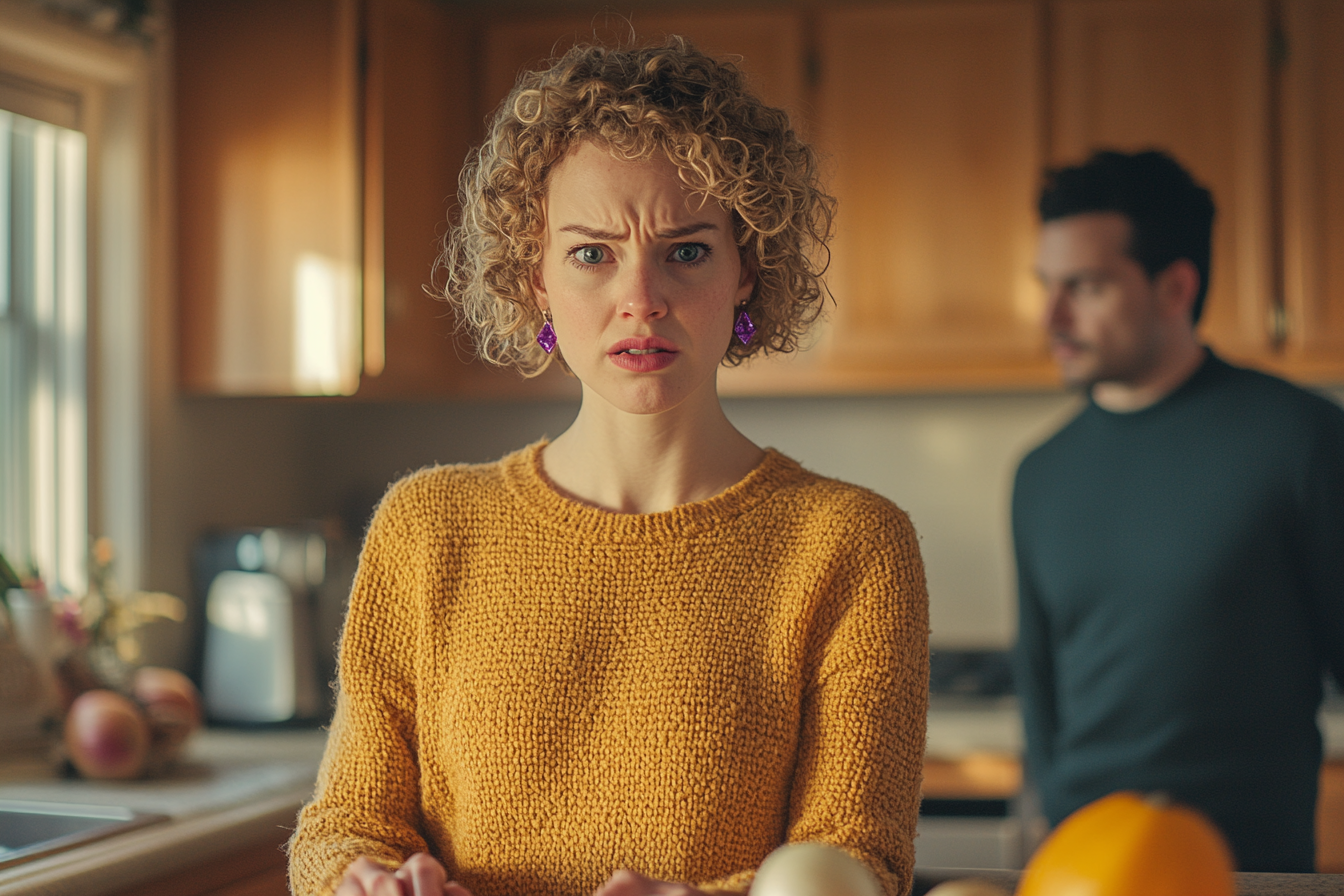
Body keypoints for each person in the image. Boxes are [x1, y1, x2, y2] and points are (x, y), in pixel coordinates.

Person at [286, 38, 930, 896]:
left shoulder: (851, 544)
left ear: (748, 267)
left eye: (687, 250)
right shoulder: (427, 526)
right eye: (593, 253)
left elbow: (858, 862)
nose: (642, 298)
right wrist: (358, 883)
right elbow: (344, 825)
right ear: (535, 279)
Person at [1012, 148, 1344, 872]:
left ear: (1175, 286)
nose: (1052, 316)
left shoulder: (1302, 440)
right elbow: (1041, 698)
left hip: (1248, 873)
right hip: (1080, 873)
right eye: (1047, 285)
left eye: (1086, 287)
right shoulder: (1039, 473)